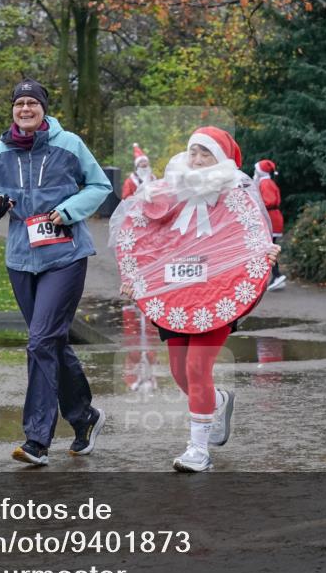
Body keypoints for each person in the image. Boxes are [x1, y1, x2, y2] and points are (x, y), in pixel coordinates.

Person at [112, 127, 280, 472]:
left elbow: (250, 237)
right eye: (194, 152)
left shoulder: (237, 195)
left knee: (196, 367)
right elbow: (144, 236)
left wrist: (266, 253)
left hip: (217, 297)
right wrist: (133, 276)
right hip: (174, 296)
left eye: (206, 153)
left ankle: (198, 449)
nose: (198, 160)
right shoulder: (166, 191)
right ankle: (216, 401)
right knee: (178, 372)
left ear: (221, 159)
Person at [0, 79, 110, 467]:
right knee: (49, 342)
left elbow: (100, 185)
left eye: (33, 103)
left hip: (64, 255)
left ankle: (37, 439)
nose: (26, 109)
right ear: (13, 110)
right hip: (21, 257)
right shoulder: (0, 151)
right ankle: (85, 418)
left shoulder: (69, 145)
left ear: (44, 108)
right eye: (20, 104)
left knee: (40, 342)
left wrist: (68, 210)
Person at [254, 160, 285, 291]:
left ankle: (277, 276)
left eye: (256, 170)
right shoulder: (267, 182)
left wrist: (256, 206)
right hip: (272, 218)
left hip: (270, 219)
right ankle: (275, 276)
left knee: (267, 249)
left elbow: (269, 201)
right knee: (267, 248)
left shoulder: (264, 183)